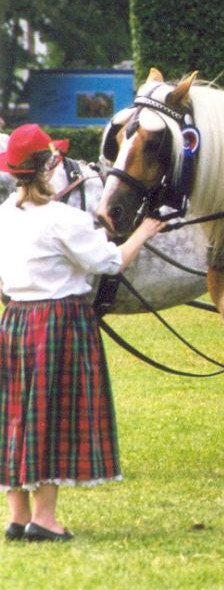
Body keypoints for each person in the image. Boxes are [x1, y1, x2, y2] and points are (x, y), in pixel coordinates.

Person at [0, 124, 165, 542]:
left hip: (15, 320)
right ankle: (46, 519)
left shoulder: (4, 216)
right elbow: (109, 262)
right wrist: (145, 230)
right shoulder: (64, 219)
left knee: (17, 416)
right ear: (51, 164)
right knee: (50, 417)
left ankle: (17, 516)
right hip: (58, 322)